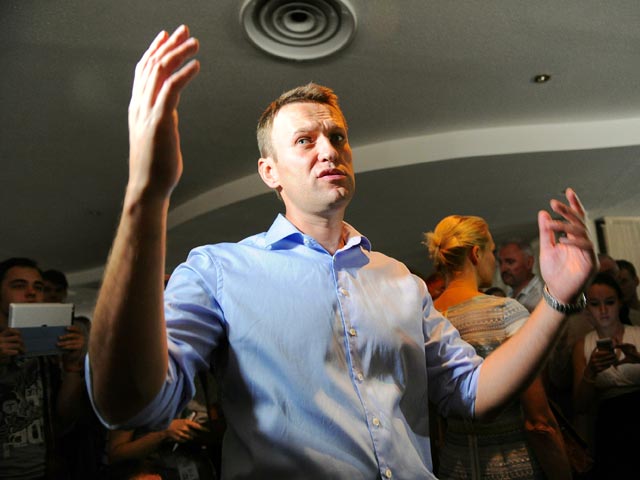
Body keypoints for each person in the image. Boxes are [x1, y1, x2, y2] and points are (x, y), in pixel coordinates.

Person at [86, 25, 596, 479]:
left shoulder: (401, 281)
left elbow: (473, 392)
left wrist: (556, 298)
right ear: (269, 172)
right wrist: (146, 194)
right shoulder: (219, 270)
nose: (329, 149)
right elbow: (130, 405)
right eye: (304, 141)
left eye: (337, 136)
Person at [425, 215, 571, 479]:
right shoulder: (505, 311)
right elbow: (539, 421)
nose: (494, 262)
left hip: (452, 466)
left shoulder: (425, 318)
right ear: (476, 254)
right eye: (492, 252)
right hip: (511, 466)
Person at [0, 257, 86, 479]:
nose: (32, 293)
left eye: (38, 287)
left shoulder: (48, 350)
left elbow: (66, 418)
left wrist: (72, 367)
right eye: (19, 285)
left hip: (43, 469)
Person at [572, 272, 640, 478]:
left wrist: (637, 359)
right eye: (595, 304)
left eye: (609, 302)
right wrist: (591, 372)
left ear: (620, 303)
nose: (603, 310)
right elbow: (580, 405)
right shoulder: (583, 345)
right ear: (587, 309)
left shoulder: (637, 334)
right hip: (609, 425)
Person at [498, 239, 544, 313]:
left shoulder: (544, 294)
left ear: (529, 262)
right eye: (500, 263)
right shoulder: (507, 296)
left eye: (510, 262)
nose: (503, 268)